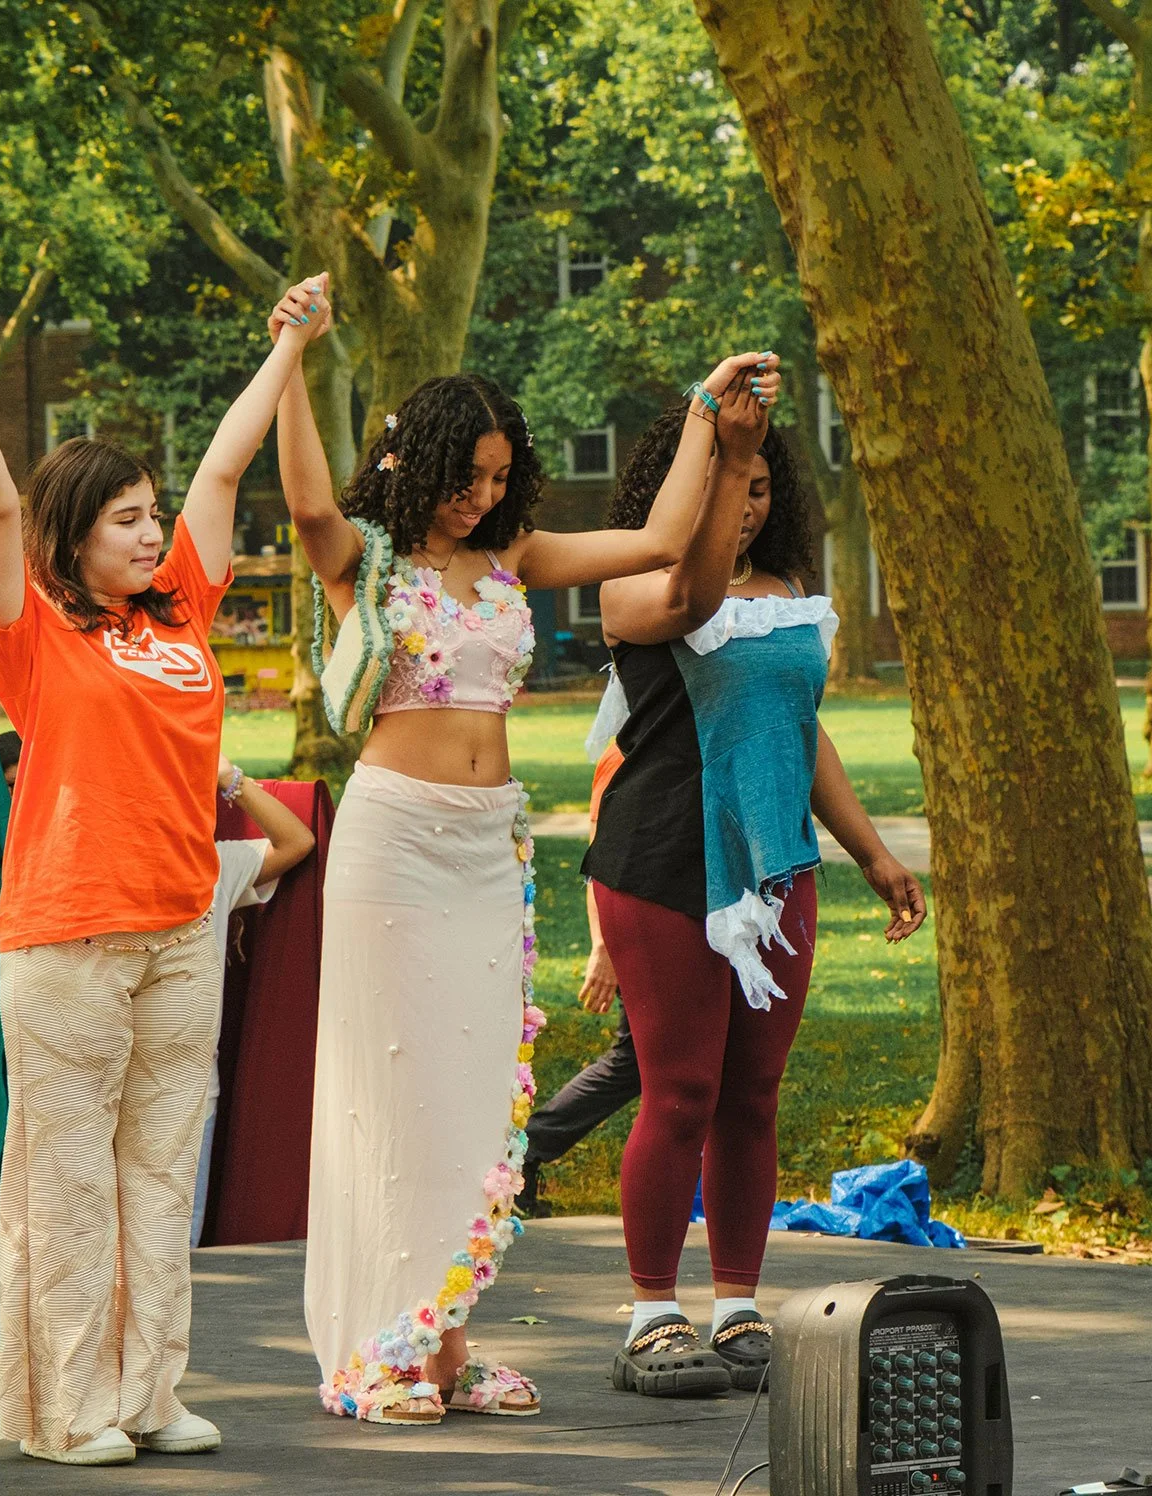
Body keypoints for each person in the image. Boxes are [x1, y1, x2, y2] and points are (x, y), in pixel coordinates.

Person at [275, 271, 782, 1425]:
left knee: (471, 1099)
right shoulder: (368, 558)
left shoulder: (514, 557)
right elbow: (305, 503)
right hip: (392, 843)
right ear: (418, 463)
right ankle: (384, 1348)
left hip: (483, 849)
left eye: (501, 477)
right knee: (396, 1091)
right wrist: (292, 357)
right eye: (468, 476)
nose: (484, 496)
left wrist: (703, 413)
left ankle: (448, 1342)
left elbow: (659, 537)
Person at [0, 289, 317, 1466]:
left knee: (159, 1173)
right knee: (66, 1184)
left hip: (180, 923)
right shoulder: (28, 628)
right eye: (124, 517)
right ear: (72, 535)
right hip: (68, 930)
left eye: (150, 513)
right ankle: (66, 1408)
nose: (149, 530)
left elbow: (223, 471)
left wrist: (288, 343)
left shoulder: (180, 609)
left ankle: (148, 1391)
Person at [587, 393, 926, 1399]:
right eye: (729, 481)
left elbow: (801, 730)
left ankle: (736, 1303)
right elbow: (692, 603)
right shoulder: (633, 586)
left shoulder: (791, 593)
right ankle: (650, 1314)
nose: (745, 504)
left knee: (751, 1094)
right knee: (680, 1089)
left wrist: (871, 853)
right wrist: (725, 450)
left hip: (777, 868)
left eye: (763, 487)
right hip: (662, 860)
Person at [190, 755, 317, 1247]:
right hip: (110, 1086)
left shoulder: (215, 865)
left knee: (175, 1249)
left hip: (193, 1091)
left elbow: (297, 841)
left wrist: (230, 779)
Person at [516, 742, 638, 1218]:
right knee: (635, 1062)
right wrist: (604, 946)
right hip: (648, 926)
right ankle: (528, 1151)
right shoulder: (625, 752)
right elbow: (602, 858)